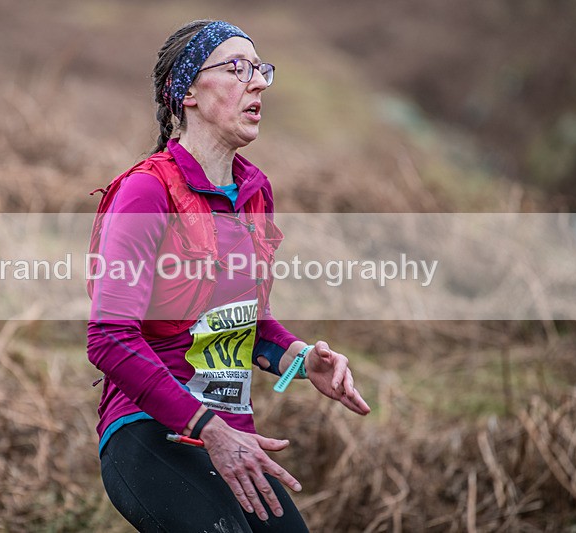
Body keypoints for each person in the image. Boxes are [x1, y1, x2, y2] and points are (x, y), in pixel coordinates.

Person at [87, 19, 371, 532]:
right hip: (151, 432)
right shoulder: (145, 193)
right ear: (188, 91)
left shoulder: (254, 193)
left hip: (232, 437)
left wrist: (302, 359)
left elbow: (247, 323)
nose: (258, 82)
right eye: (237, 68)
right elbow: (108, 339)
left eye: (260, 69)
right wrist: (208, 429)